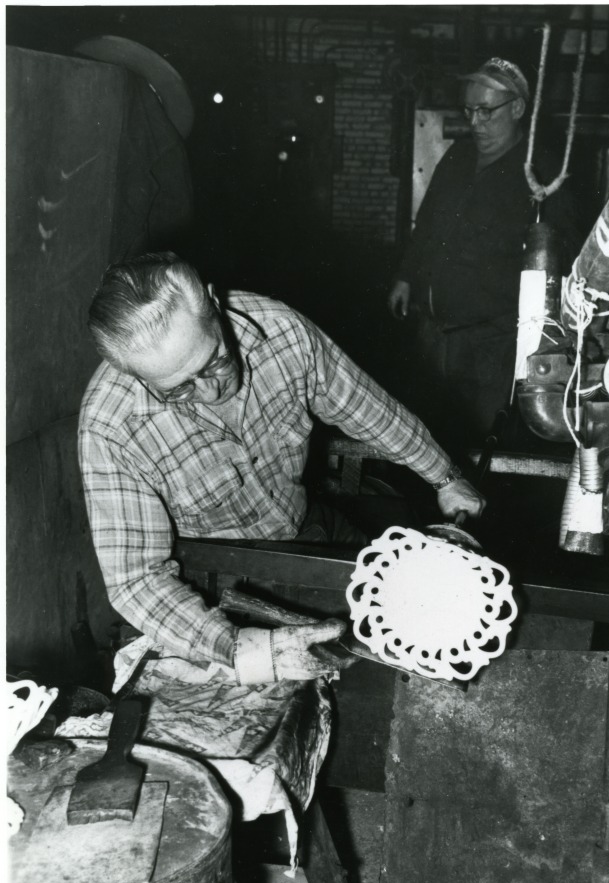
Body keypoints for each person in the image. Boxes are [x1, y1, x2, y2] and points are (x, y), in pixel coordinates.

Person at [79, 251, 484, 687]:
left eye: (214, 361)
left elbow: (363, 406)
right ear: (133, 375)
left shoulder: (281, 332)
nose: (211, 390)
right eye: (177, 390)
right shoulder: (112, 426)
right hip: (213, 581)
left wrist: (444, 475)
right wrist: (241, 648)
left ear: (215, 305)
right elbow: (135, 580)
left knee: (401, 620)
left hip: (303, 524)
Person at [387, 56, 579, 452]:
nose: (475, 123)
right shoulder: (457, 157)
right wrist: (406, 276)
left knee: (483, 446)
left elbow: (565, 256)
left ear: (518, 108)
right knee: (429, 441)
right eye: (470, 111)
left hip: (495, 345)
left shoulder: (541, 172)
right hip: (436, 334)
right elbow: (426, 225)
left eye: (486, 111)